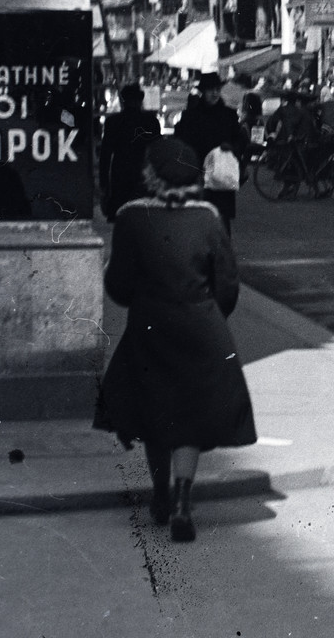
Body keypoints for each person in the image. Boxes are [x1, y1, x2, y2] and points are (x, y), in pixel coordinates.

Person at [93, 137, 256, 541]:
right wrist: (205, 311)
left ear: (152, 173)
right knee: (190, 419)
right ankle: (184, 499)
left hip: (150, 327)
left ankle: (160, 497)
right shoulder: (209, 218)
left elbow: (118, 286)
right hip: (201, 328)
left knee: (154, 412)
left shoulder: (132, 218)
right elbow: (228, 288)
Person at [174, 71, 249, 233]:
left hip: (222, 178)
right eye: (210, 90)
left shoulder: (228, 115)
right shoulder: (190, 117)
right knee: (198, 221)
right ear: (203, 91)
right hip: (199, 177)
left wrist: (232, 148)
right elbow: (181, 144)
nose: (215, 93)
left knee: (222, 223)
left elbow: (241, 139)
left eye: (217, 89)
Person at [98, 84, 162, 222]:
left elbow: (106, 153)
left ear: (123, 101)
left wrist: (103, 180)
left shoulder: (113, 121)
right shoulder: (151, 121)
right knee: (143, 216)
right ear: (140, 101)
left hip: (120, 172)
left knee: (120, 215)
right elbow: (158, 151)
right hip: (144, 172)